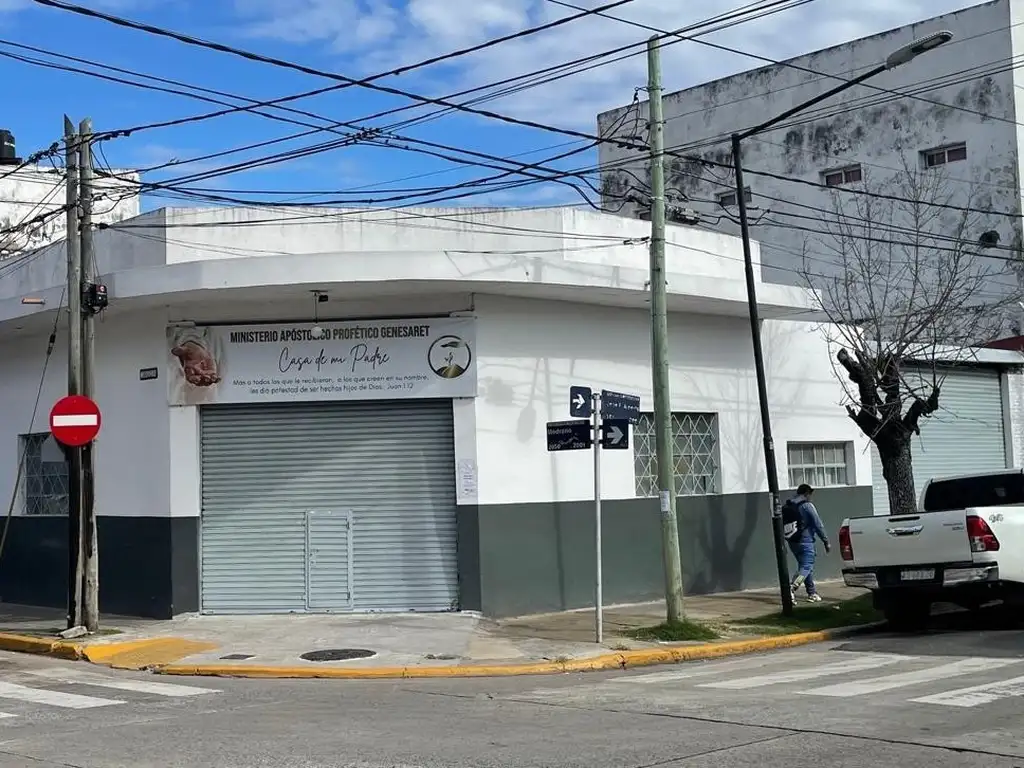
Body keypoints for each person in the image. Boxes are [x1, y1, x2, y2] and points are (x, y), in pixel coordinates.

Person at [781, 483, 830, 603]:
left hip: (793, 541)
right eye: (810, 494)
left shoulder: (790, 504)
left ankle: (811, 593)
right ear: (807, 493)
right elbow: (818, 524)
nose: (811, 497)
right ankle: (791, 588)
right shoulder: (807, 506)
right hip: (806, 541)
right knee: (806, 566)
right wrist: (826, 541)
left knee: (805, 568)